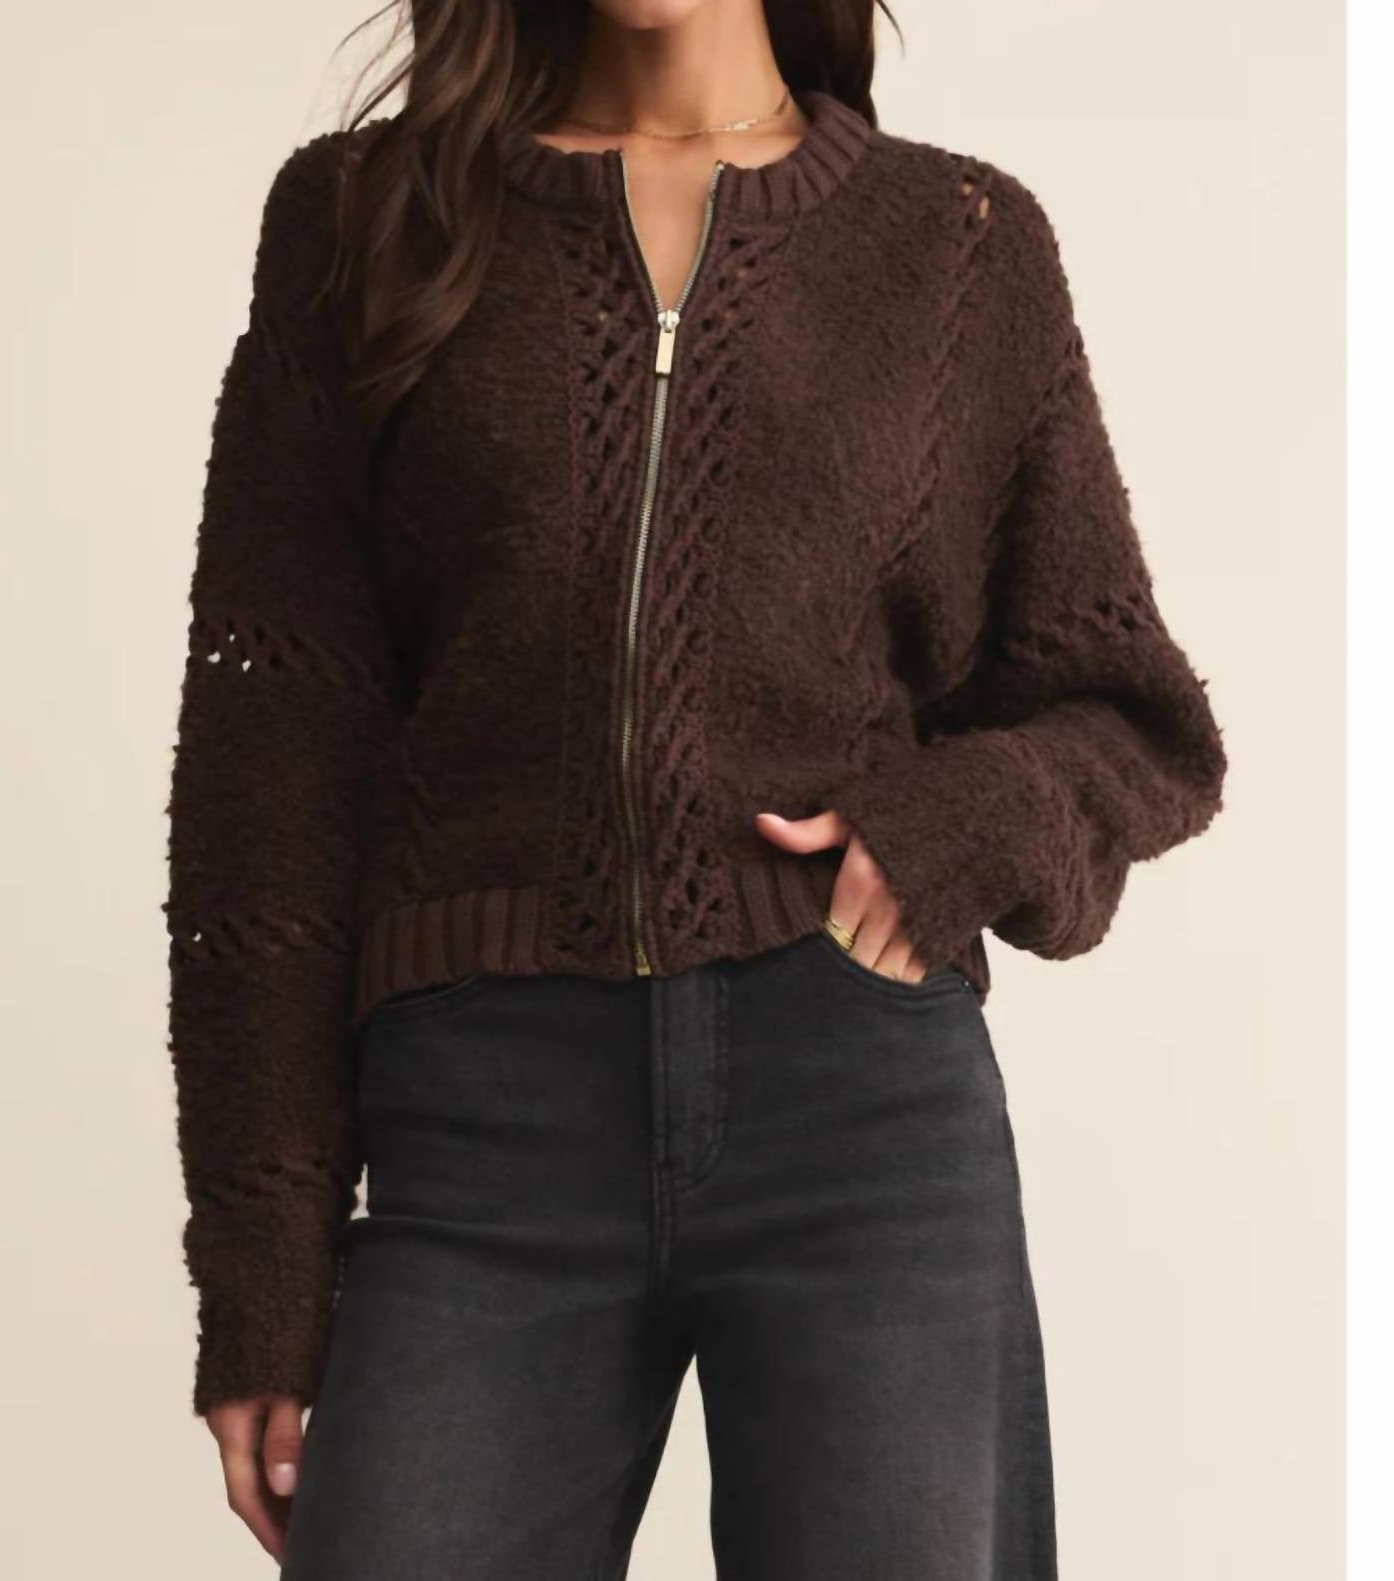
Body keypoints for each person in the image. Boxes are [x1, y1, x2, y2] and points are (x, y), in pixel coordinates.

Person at [163, 2, 1227, 1575]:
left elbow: (1134, 720)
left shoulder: (958, 249)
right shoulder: (363, 222)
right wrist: (261, 1265)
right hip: (484, 1124)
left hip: (856, 1109)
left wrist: (945, 828)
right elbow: (269, 774)